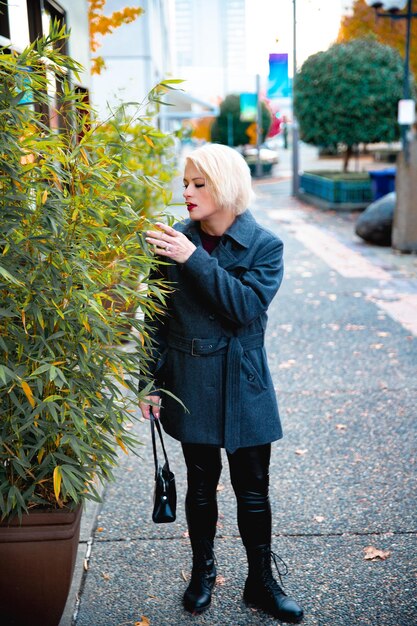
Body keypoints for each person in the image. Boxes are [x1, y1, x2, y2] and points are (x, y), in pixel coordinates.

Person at [140, 143, 303, 624]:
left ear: (226, 185)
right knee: (201, 486)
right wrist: (149, 383)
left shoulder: (264, 246)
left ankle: (261, 581)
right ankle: (202, 572)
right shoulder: (172, 242)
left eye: (198, 183)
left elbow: (246, 307)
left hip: (244, 379)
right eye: (185, 183)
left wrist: (194, 259)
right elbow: (155, 320)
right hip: (190, 379)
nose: (186, 192)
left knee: (253, 488)